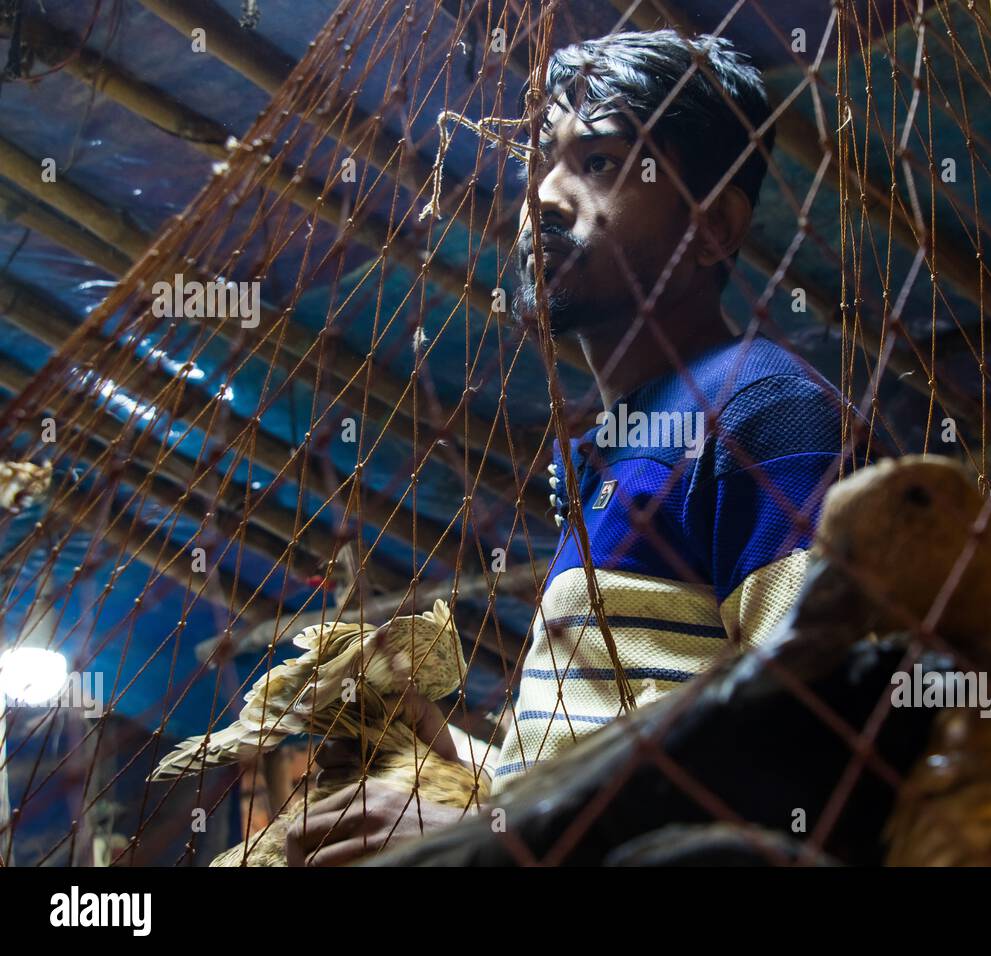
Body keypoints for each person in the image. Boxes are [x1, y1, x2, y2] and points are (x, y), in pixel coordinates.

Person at [286, 29, 863, 866]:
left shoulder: (764, 411)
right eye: (541, 163)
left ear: (714, 228)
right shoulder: (611, 447)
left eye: (598, 164)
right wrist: (461, 768)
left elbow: (814, 739)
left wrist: (490, 834)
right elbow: (619, 744)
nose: (543, 198)